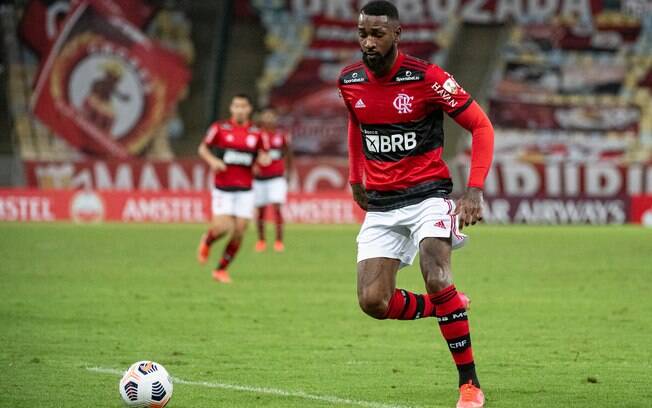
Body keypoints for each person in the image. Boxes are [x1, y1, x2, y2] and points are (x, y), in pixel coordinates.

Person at [337, 2, 494, 407]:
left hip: (428, 196)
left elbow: (481, 125)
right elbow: (357, 124)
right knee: (373, 302)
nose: (368, 42)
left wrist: (474, 189)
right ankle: (449, 307)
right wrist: (356, 177)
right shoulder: (350, 81)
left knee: (436, 273)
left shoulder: (428, 78)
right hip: (383, 203)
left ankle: (469, 384)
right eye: (362, 34)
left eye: (377, 34)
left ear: (396, 34)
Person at [196, 94, 270, 283]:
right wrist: (213, 161)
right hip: (223, 188)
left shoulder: (257, 133)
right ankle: (208, 240)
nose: (239, 109)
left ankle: (220, 270)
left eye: (243, 106)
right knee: (222, 227)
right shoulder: (219, 129)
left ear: (249, 109)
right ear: (231, 108)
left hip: (245, 189)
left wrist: (264, 160)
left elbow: (264, 155)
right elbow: (203, 149)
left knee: (239, 231)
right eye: (236, 106)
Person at [253, 107, 293, 252]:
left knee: (277, 207)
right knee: (260, 210)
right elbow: (250, 154)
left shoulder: (281, 136)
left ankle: (278, 241)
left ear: (276, 118)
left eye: (272, 116)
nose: (269, 119)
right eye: (266, 116)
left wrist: (289, 173)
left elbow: (288, 154)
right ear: (262, 118)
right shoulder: (256, 136)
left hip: (277, 178)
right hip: (259, 179)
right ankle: (261, 240)